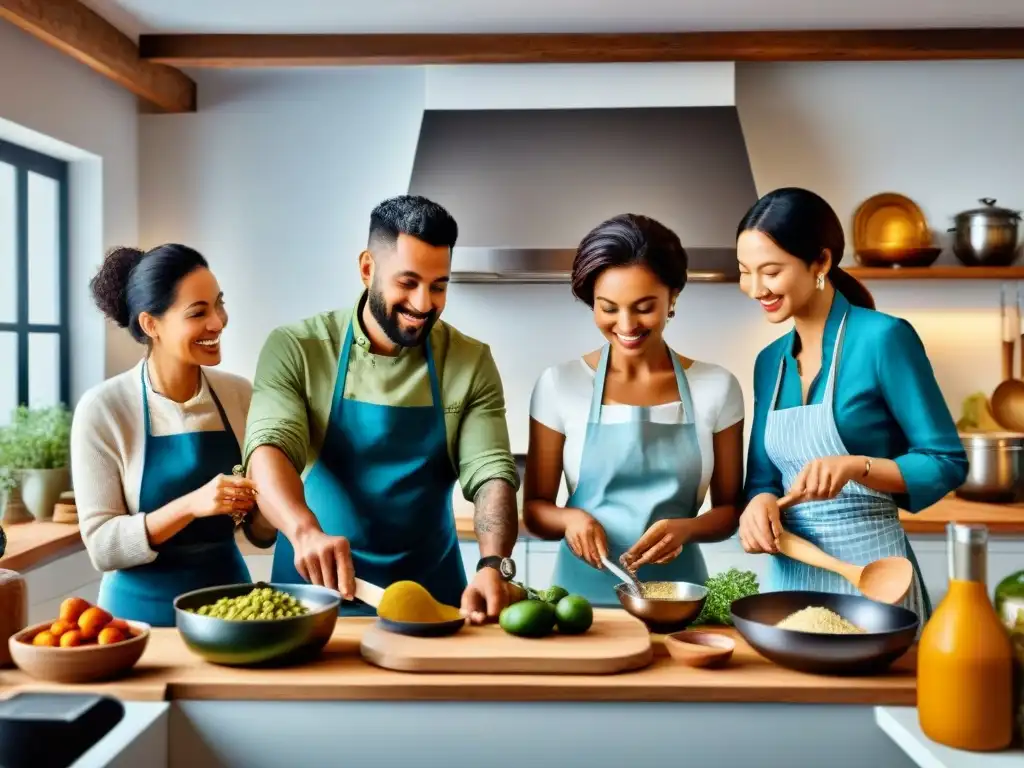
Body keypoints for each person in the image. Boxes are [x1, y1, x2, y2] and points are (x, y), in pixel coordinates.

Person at [242, 195, 520, 623]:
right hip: (313, 597)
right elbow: (269, 447)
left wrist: (492, 564)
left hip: (434, 602)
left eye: (439, 285)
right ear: (368, 268)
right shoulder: (298, 348)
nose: (424, 303)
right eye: (407, 282)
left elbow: (492, 473)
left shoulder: (469, 361)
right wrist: (304, 531)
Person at [736, 187, 969, 620]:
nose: (754, 288)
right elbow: (763, 480)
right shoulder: (769, 363)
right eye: (744, 271)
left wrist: (856, 466)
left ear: (821, 262)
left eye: (770, 271)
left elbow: (946, 461)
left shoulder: (883, 338)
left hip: (876, 580)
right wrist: (758, 504)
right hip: (790, 584)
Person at [522, 214, 746, 606]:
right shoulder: (560, 385)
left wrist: (687, 529)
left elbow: (729, 511)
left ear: (673, 296)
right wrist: (571, 518)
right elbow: (537, 512)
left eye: (644, 307)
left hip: (678, 600)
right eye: (608, 308)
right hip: (579, 602)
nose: (626, 324)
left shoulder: (717, 387)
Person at [71, 244, 257, 627]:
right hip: (135, 621)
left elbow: (259, 532)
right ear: (150, 325)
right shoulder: (104, 409)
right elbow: (103, 548)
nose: (218, 322)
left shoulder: (241, 396)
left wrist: (271, 502)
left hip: (231, 610)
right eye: (198, 312)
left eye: (218, 305)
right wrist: (193, 504)